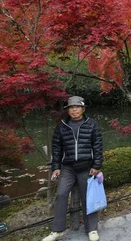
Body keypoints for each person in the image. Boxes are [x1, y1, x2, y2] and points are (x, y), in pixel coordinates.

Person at [43, 96, 103, 241]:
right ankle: (57, 230)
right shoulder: (62, 126)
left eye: (77, 107)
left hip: (86, 167)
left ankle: (92, 229)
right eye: (71, 107)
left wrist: (96, 165)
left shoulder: (92, 125)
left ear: (83, 109)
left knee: (87, 198)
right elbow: (56, 149)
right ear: (68, 110)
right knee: (62, 194)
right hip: (68, 168)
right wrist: (56, 167)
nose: (74, 110)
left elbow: (98, 146)